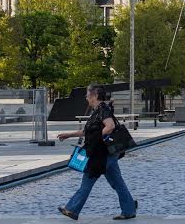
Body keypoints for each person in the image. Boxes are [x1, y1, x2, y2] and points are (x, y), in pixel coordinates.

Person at [57, 85, 137, 221]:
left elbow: (110, 126)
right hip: (107, 153)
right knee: (118, 182)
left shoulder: (102, 110)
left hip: (102, 153)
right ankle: (129, 209)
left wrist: (96, 137)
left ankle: (72, 209)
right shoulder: (97, 111)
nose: (86, 98)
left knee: (88, 178)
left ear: (95, 96)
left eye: (88, 95)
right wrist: (69, 134)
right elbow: (89, 132)